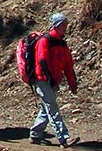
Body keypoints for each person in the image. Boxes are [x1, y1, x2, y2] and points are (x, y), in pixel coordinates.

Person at [28, 13, 79, 147]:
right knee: (52, 109)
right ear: (57, 25)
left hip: (53, 81)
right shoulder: (45, 41)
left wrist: (72, 84)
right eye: (64, 24)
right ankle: (64, 138)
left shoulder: (62, 43)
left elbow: (68, 65)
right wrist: (49, 79)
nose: (66, 27)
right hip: (43, 80)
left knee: (46, 109)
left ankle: (35, 135)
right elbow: (42, 61)